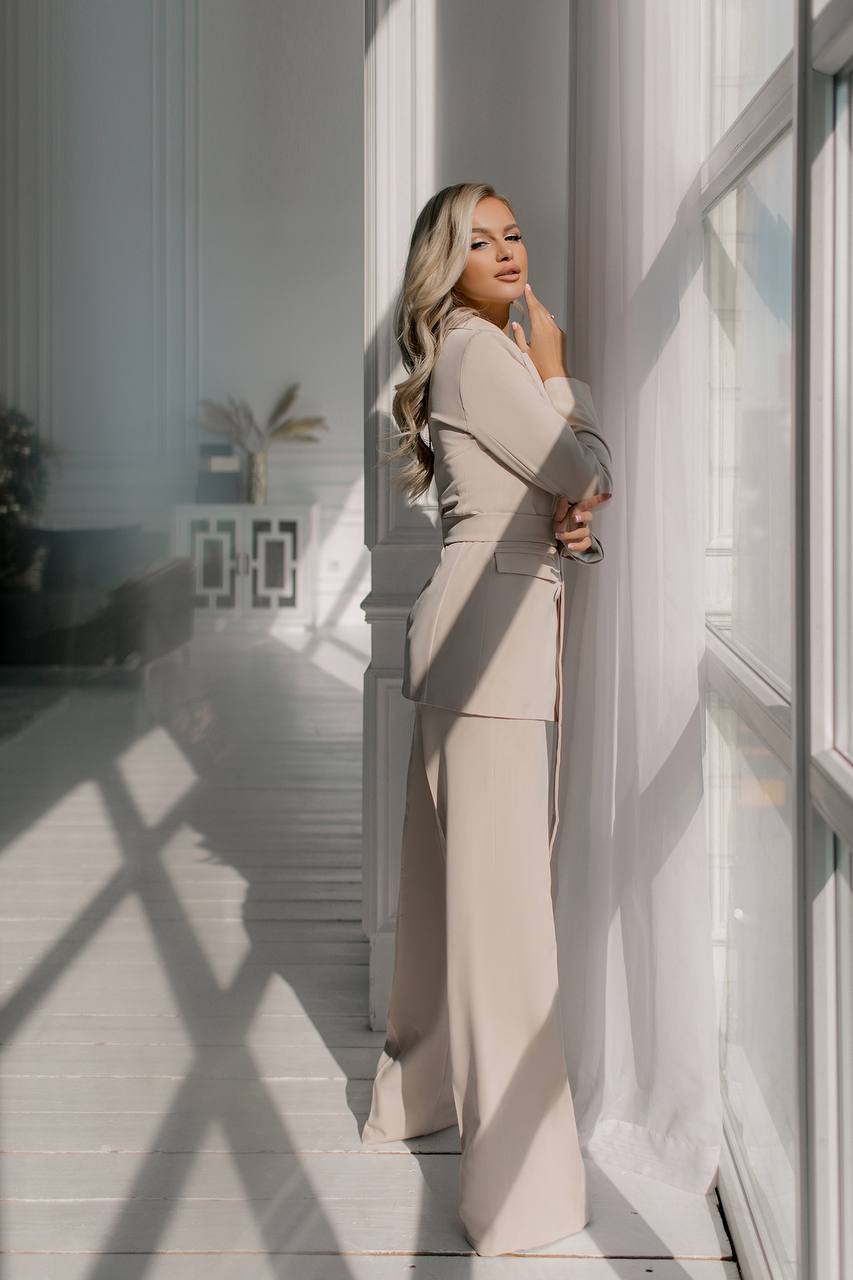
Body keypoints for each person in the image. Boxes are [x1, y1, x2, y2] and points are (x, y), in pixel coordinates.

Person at [360, 181, 613, 1257]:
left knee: (447, 909)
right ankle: (520, 1194)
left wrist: (565, 504)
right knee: (504, 929)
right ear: (443, 260)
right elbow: (576, 464)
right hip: (487, 657)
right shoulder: (481, 351)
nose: (506, 251)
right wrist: (559, 369)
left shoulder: (468, 353)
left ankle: (414, 1099)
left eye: (514, 234)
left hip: (473, 644)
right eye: (480, 239)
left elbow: (545, 496)